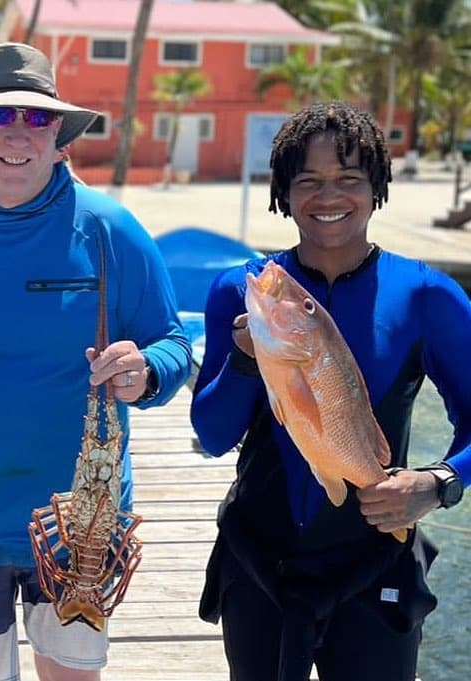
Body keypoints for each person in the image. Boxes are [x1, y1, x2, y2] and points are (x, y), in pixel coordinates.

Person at [0, 42, 192, 681]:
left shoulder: (111, 230)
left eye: (36, 117)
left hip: (83, 522)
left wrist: (147, 371)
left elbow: (173, 343)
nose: (17, 134)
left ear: (60, 134)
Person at [190, 101, 471, 681]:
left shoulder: (426, 296)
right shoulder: (244, 292)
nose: (329, 197)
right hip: (258, 561)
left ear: (376, 188)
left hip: (375, 562)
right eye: (308, 181)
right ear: (283, 192)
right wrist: (245, 362)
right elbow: (214, 436)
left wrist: (439, 483)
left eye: (349, 179)